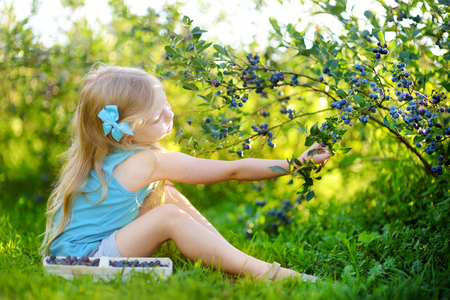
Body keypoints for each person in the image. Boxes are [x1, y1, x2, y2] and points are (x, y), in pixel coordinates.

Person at [41, 65, 331, 282]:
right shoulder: (148, 161)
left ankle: (229, 260)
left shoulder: (109, 151)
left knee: (164, 195)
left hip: (72, 255)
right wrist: (295, 163)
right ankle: (269, 274)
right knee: (166, 216)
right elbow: (233, 170)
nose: (169, 113)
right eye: (157, 117)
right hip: (81, 264)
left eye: (165, 102)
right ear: (128, 136)